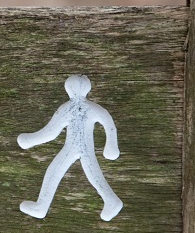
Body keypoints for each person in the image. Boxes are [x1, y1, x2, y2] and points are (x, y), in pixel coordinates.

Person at [18, 75, 122, 221]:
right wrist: (111, 145)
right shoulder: (92, 108)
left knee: (58, 171)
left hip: (75, 148)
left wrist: (29, 140)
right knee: (89, 173)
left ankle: (42, 206)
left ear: (68, 89)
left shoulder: (67, 108)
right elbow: (108, 123)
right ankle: (111, 200)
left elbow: (51, 132)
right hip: (77, 147)